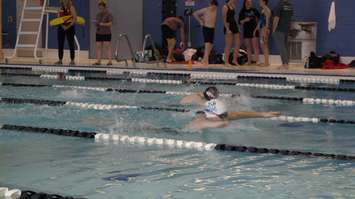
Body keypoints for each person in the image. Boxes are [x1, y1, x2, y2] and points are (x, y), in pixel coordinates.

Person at [182, 87, 281, 131]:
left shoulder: (222, 113)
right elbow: (201, 123)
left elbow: (241, 114)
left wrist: (264, 114)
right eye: (223, 116)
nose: (225, 118)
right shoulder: (202, 116)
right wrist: (219, 124)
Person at [193, 0, 218, 65]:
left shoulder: (216, 10)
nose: (214, 9)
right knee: (207, 45)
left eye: (215, 8)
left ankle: (204, 59)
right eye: (213, 7)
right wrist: (200, 21)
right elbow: (195, 13)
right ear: (211, 5)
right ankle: (205, 61)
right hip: (206, 28)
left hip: (212, 29)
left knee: (211, 45)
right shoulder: (205, 10)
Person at [272, 0, 293, 69]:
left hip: (279, 29)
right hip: (286, 29)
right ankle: (286, 63)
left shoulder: (279, 5)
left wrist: (274, 29)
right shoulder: (290, 5)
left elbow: (276, 18)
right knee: (285, 47)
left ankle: (285, 64)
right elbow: (290, 18)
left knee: (281, 47)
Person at [55, 0, 77, 65]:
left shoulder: (71, 7)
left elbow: (75, 18)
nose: (64, 1)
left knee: (71, 44)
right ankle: (60, 60)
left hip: (70, 27)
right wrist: (62, 25)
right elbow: (58, 19)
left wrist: (68, 26)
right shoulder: (60, 8)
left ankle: (72, 60)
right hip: (61, 27)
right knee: (60, 44)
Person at [239, 0, 260, 65]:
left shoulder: (254, 10)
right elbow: (239, 22)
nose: (250, 3)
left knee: (255, 46)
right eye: (248, 2)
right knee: (248, 46)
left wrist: (257, 27)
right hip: (246, 30)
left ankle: (257, 60)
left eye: (250, 2)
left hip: (254, 30)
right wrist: (245, 20)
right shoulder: (242, 11)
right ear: (245, 3)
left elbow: (260, 19)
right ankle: (249, 61)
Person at [93, 0, 113, 66]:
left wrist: (102, 24)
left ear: (104, 7)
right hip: (99, 32)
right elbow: (97, 22)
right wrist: (96, 23)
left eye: (101, 7)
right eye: (99, 7)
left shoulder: (109, 14)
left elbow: (110, 23)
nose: (100, 8)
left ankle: (110, 61)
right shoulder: (98, 14)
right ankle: (98, 61)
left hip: (106, 33)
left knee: (107, 47)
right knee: (98, 47)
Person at [223, 0, 240, 67]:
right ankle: (226, 62)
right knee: (228, 45)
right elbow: (224, 19)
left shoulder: (233, 6)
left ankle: (234, 60)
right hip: (228, 26)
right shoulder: (225, 7)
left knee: (238, 43)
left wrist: (238, 27)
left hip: (234, 25)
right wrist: (227, 29)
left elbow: (234, 17)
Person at [256, 0, 271, 66]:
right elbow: (262, 20)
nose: (259, 2)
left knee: (264, 45)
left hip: (264, 29)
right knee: (263, 45)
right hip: (263, 28)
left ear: (264, 2)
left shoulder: (266, 9)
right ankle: (266, 61)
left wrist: (266, 29)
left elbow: (267, 20)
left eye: (260, 1)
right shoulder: (263, 9)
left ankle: (267, 62)